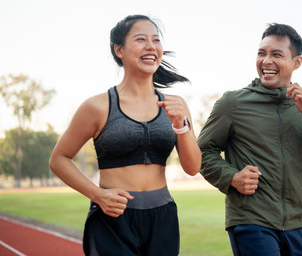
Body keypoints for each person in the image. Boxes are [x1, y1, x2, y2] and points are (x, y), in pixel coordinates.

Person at [49, 14, 201, 256]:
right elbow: (59, 159)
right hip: (113, 218)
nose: (151, 46)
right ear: (119, 50)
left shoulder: (176, 105)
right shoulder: (97, 106)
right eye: (141, 39)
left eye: (156, 40)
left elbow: (193, 168)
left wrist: (181, 125)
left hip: (163, 217)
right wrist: (97, 195)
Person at [197, 23, 302, 256]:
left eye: (277, 54)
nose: (266, 61)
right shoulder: (233, 103)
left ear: (297, 62)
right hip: (251, 221)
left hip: (296, 224)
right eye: (261, 53)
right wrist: (232, 177)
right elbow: (200, 153)